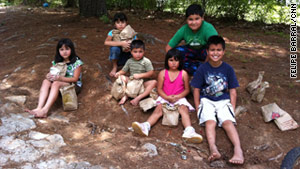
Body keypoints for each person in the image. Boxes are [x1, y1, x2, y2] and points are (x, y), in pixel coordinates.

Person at [191, 35, 244, 164]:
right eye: (212, 50)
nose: (215, 53)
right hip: (207, 100)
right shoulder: (202, 68)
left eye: (219, 50)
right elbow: (196, 89)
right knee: (210, 122)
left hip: (223, 101)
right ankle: (213, 148)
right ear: (207, 52)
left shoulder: (228, 69)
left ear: (223, 52)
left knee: (227, 122)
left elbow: (232, 90)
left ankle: (238, 150)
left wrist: (231, 106)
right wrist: (198, 107)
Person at [132, 48, 203, 143]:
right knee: (158, 110)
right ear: (167, 61)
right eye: (171, 60)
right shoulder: (162, 73)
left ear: (180, 61)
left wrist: (178, 96)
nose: (174, 63)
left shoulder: (183, 74)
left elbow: (187, 89)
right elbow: (159, 89)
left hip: (179, 98)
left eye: (176, 60)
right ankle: (146, 126)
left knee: (184, 110)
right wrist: (166, 97)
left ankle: (189, 130)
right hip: (165, 96)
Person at [25, 38, 83, 118]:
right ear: (58, 51)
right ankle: (39, 108)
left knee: (56, 83)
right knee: (46, 81)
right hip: (60, 84)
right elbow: (51, 73)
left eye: (67, 49)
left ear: (71, 49)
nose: (64, 52)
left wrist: (60, 78)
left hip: (73, 85)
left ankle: (45, 110)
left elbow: (75, 79)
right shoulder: (57, 61)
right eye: (61, 49)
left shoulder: (77, 62)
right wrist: (48, 76)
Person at [165, 4, 218, 76]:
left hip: (205, 51)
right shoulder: (184, 29)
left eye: (197, 19)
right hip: (191, 50)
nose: (194, 22)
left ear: (202, 18)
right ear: (187, 19)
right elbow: (169, 47)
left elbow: (216, 47)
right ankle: (192, 66)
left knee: (214, 52)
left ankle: (204, 67)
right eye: (190, 19)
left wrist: (206, 64)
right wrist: (173, 62)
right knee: (176, 51)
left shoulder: (208, 28)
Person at [115, 40, 156, 106]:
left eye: (140, 52)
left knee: (154, 82)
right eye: (135, 52)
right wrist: (118, 73)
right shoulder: (129, 61)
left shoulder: (146, 61)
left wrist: (140, 75)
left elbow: (151, 73)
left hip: (142, 83)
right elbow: (124, 71)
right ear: (131, 52)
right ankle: (125, 95)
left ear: (144, 51)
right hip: (131, 81)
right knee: (122, 77)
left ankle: (138, 98)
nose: (138, 54)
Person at [105, 12, 137, 77]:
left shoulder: (130, 31)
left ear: (126, 22)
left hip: (128, 53)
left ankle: (132, 66)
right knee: (114, 48)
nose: (120, 25)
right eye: (118, 23)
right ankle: (115, 66)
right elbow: (106, 42)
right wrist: (121, 43)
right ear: (114, 24)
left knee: (136, 49)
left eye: (122, 22)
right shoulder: (112, 32)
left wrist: (131, 47)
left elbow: (137, 43)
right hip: (118, 54)